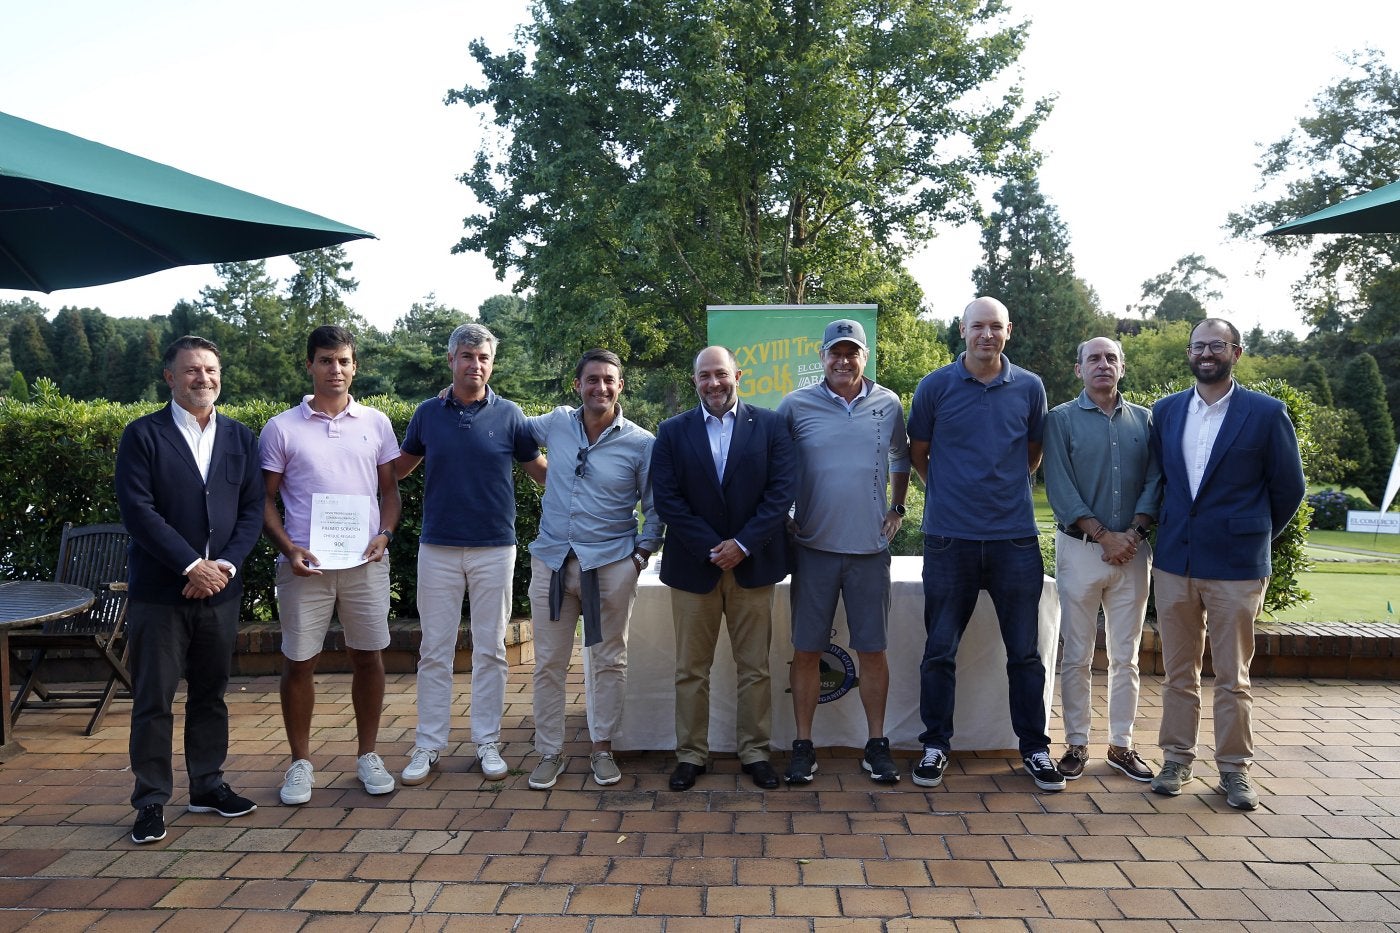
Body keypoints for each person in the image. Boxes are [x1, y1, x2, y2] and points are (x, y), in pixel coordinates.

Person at [907, 296, 1063, 792]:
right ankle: (935, 745)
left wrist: (999, 490)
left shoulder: (1030, 388)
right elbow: (919, 454)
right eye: (978, 327)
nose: (986, 335)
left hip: (1013, 540)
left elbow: (1033, 453)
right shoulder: (934, 387)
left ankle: (1035, 749)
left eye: (995, 327)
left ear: (1008, 331)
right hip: (949, 539)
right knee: (939, 650)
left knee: (1025, 654)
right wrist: (953, 494)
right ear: (962, 329)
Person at [1148, 318, 1305, 810]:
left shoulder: (1266, 413)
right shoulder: (1167, 412)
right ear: (1190, 353)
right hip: (1176, 561)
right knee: (1178, 673)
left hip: (1236, 565)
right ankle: (1176, 759)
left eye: (1217, 345)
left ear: (1236, 352)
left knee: (1233, 677)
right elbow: (1162, 482)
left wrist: (1252, 536)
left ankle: (1235, 771)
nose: (1207, 353)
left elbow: (1288, 489)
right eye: (1199, 345)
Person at [116, 335, 265, 844]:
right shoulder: (143, 436)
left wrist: (221, 565)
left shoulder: (242, 438)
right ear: (170, 377)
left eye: (210, 371)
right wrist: (188, 565)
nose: (203, 379)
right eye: (191, 371)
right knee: (153, 699)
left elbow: (251, 512)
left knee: (210, 694)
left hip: (220, 589)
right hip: (160, 592)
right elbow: (139, 513)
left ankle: (207, 785)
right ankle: (151, 801)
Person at [396, 322, 546, 784]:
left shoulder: (512, 416)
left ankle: (487, 741)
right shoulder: (427, 414)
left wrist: (591, 484)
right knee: (434, 651)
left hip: (494, 549)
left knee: (491, 651)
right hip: (437, 547)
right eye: (466, 356)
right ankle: (428, 744)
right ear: (451, 361)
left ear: (491, 363)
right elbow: (397, 469)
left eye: (482, 357)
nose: (475, 365)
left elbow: (541, 473)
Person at [260, 325, 402, 805]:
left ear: (354, 366)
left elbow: (389, 491)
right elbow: (265, 501)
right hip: (306, 564)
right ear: (310, 366)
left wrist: (384, 534)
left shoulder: (377, 423)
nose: (335, 369)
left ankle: (368, 755)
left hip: (364, 561)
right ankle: (300, 763)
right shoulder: (281, 427)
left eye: (343, 360)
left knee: (369, 656)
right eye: (325, 360)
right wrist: (288, 548)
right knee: (300, 661)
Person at [650, 346, 796, 791]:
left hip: (754, 565)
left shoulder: (770, 425)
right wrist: (714, 547)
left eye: (720, 374)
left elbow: (781, 491)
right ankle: (690, 754)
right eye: (704, 376)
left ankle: (755, 752)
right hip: (695, 566)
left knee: (755, 667)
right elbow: (668, 498)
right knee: (691, 669)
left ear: (738, 374)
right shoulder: (672, 431)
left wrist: (744, 544)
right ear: (694, 381)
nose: (713, 383)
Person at [776, 319, 910, 784]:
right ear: (822, 356)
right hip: (812, 548)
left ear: (865, 356)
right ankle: (803, 745)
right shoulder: (795, 405)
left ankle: (876, 744)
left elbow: (901, 456)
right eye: (836, 352)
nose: (843, 360)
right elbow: (776, 463)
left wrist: (897, 507)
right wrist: (783, 514)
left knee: (872, 649)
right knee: (807, 649)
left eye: (852, 352)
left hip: (870, 550)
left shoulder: (888, 402)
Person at [523, 349, 663, 790]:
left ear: (620, 387)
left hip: (609, 566)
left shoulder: (642, 443)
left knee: (609, 661)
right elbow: (510, 430)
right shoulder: (557, 423)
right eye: (591, 380)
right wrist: (463, 392)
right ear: (577, 385)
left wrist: (638, 558)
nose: (599, 387)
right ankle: (549, 751)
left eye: (608, 380)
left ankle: (602, 748)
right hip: (551, 562)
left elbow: (654, 510)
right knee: (548, 663)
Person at [1042, 336, 1161, 783]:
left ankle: (1121, 746)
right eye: (1093, 358)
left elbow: (1155, 479)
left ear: (1122, 367)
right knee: (1075, 654)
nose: (1103, 365)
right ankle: (1075, 743)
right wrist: (1102, 535)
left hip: (1133, 552)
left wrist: (1132, 534)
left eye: (1111, 358)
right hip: (1080, 550)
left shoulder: (1146, 421)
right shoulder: (1060, 420)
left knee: (1126, 656)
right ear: (1079, 369)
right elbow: (1059, 485)